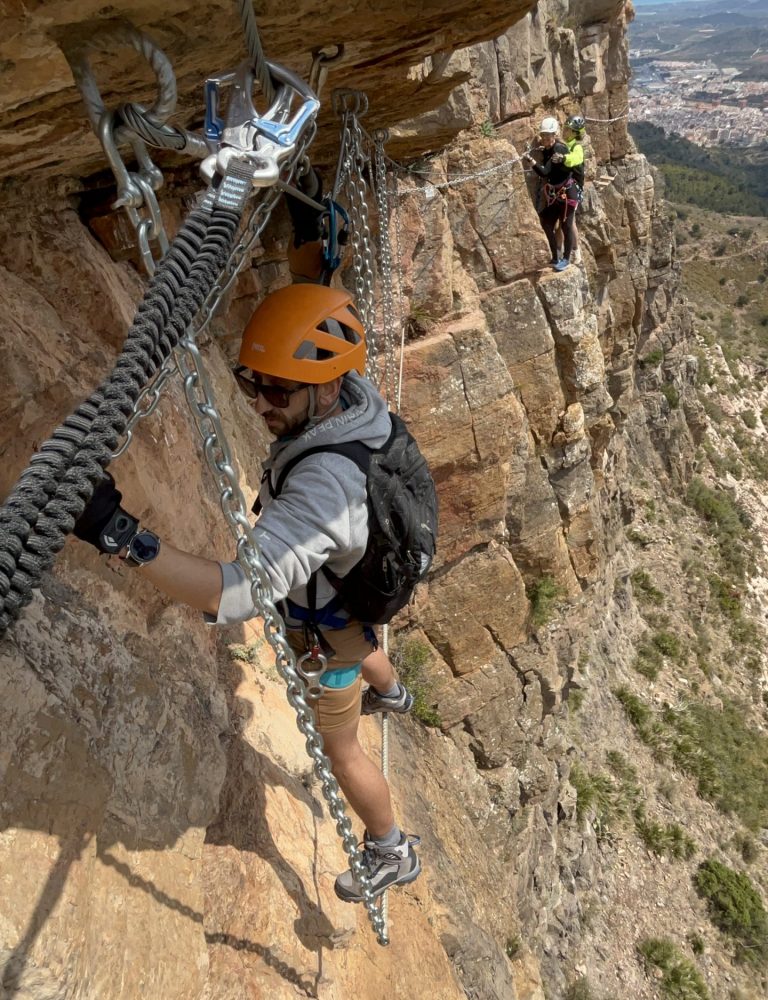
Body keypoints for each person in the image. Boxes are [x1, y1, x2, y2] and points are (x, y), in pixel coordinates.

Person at [73, 281, 421, 903]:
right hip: (348, 593)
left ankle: (392, 847)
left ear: (326, 386)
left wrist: (114, 531)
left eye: (277, 389)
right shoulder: (356, 403)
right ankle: (393, 692)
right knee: (354, 635)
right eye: (248, 381)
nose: (260, 402)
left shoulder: (325, 491)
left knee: (343, 753)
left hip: (328, 615)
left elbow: (235, 595)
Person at [523, 116, 581, 272]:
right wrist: (543, 150)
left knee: (566, 225)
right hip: (558, 194)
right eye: (543, 136)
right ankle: (556, 256)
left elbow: (545, 172)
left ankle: (566, 259)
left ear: (554, 135)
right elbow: (549, 159)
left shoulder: (559, 149)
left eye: (548, 136)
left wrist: (531, 161)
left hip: (567, 194)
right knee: (546, 221)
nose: (545, 139)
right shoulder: (550, 149)